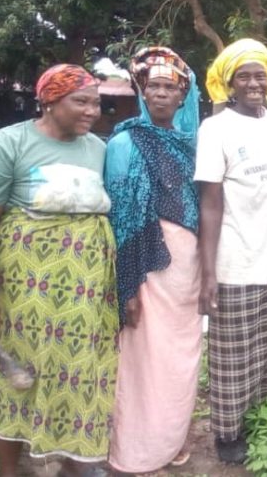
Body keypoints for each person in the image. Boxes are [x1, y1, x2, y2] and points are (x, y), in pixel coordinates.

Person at [0, 64, 116, 476]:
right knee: (20, 375)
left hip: (83, 290)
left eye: (96, 102)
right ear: (49, 100)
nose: (92, 111)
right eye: (80, 101)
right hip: (26, 287)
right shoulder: (7, 144)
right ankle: (11, 469)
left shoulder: (99, 149)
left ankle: (71, 457)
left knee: (77, 372)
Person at [195, 38, 267, 464]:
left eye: (260, 74)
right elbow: (210, 202)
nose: (254, 82)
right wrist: (209, 274)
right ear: (229, 82)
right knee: (234, 353)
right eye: (244, 75)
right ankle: (228, 434)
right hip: (238, 260)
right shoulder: (216, 128)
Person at [105, 47, 201, 472]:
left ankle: (171, 439)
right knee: (143, 355)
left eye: (170, 87)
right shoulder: (125, 141)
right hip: (144, 263)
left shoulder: (190, 144)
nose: (161, 94)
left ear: (183, 96)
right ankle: (135, 449)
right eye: (154, 86)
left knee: (181, 355)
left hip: (187, 268)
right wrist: (126, 285)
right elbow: (121, 219)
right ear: (142, 92)